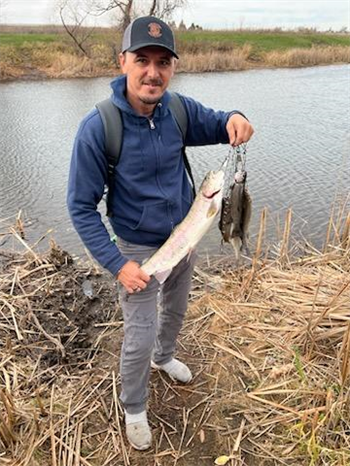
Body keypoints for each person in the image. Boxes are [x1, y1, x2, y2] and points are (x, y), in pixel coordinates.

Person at [67, 15, 254, 451]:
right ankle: (134, 406)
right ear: (123, 62)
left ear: (172, 67)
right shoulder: (98, 128)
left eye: (163, 62)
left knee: (176, 311)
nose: (153, 72)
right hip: (137, 250)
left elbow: (218, 122)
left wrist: (237, 117)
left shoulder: (179, 110)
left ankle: (165, 357)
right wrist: (118, 264)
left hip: (184, 238)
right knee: (139, 333)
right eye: (143, 60)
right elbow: (79, 206)